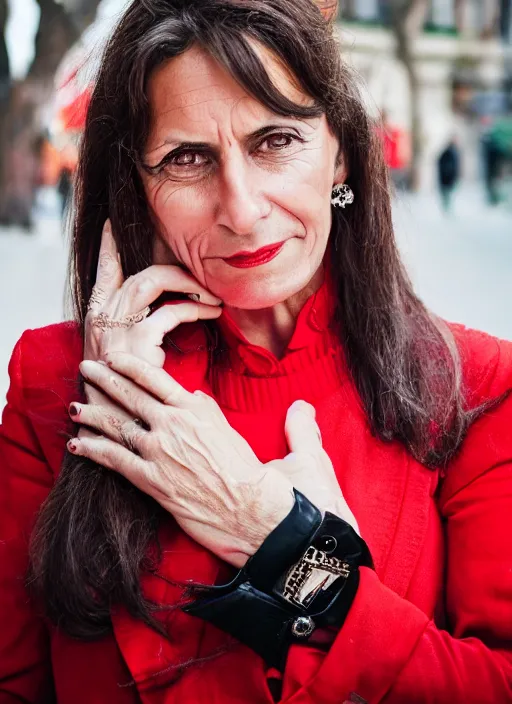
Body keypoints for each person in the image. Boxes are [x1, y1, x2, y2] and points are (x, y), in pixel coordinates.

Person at [0, 1, 511, 702]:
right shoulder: (58, 385)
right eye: (186, 158)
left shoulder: (476, 389)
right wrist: (120, 400)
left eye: (274, 140)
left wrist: (283, 543)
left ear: (339, 149)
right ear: (137, 187)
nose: (240, 209)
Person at [437, 139, 460, 213]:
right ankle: (446, 209)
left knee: (448, 194)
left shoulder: (453, 152)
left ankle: (447, 208)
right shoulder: (449, 152)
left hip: (449, 178)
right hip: (447, 178)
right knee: (446, 194)